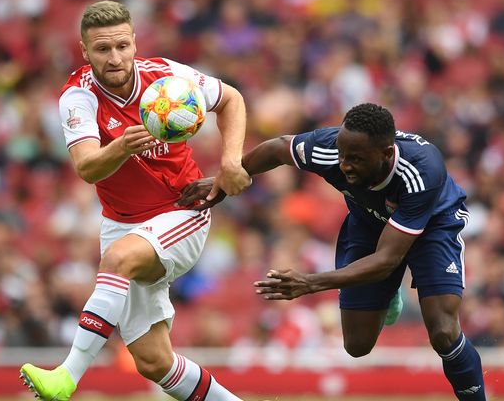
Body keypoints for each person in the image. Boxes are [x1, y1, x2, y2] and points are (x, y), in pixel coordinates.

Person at [19, 0, 251, 400]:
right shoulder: (78, 97)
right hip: (122, 223)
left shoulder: (167, 78)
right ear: (84, 51)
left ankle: (66, 377)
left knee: (119, 259)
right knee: (153, 360)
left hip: (183, 209)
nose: (115, 57)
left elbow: (231, 98)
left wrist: (230, 161)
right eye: (103, 49)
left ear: (134, 42)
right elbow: (88, 167)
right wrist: (122, 147)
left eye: (122, 46)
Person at [179, 103, 486, 400]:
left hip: (433, 227)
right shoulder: (328, 148)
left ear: (386, 154)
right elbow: (277, 148)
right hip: (369, 223)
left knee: (443, 331)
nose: (344, 165)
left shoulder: (422, 170)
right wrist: (224, 179)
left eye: (355, 159)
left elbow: (386, 259)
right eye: (341, 154)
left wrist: (310, 283)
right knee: (357, 345)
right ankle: (388, 291)